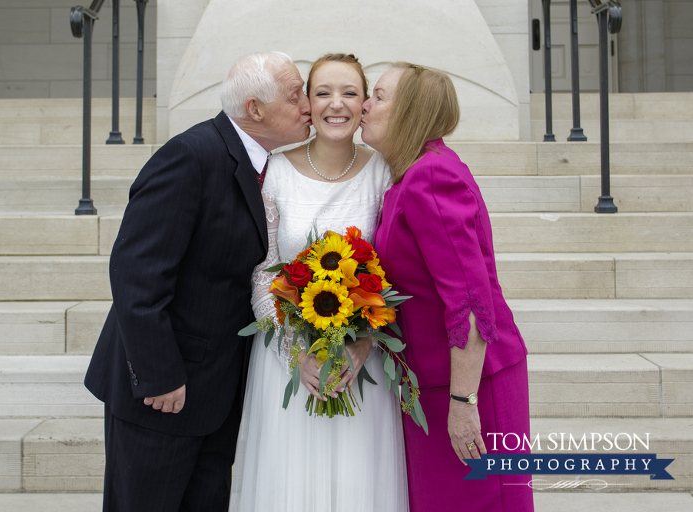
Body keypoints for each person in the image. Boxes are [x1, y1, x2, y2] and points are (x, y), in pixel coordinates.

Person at [84, 51, 312, 512]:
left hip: (213, 396)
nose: (309, 104)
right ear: (255, 110)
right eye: (297, 95)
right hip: (163, 394)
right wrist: (159, 376)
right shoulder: (190, 155)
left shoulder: (263, 166)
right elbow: (136, 272)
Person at [229, 54, 408, 512]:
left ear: (365, 102)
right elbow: (262, 269)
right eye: (323, 92)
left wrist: (364, 344)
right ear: (307, 103)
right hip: (287, 361)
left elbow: (394, 272)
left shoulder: (383, 173)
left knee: (357, 488)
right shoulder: (274, 170)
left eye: (350, 93)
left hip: (359, 363)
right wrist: (298, 353)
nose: (337, 104)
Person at [367, 63, 534, 512]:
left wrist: (464, 402)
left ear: (410, 111)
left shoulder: (432, 176)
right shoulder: (404, 178)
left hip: (469, 386)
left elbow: (471, 304)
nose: (364, 104)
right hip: (431, 385)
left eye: (378, 96)